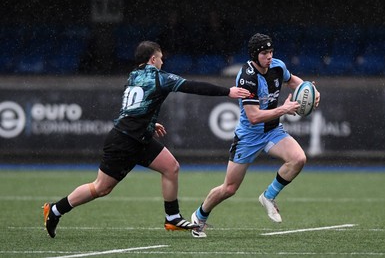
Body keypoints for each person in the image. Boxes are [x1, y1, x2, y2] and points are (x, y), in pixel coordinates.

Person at [43, 40, 250, 238]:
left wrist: (150, 123)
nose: (162, 62)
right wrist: (227, 91)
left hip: (138, 136)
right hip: (124, 141)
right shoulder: (160, 77)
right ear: (152, 59)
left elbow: (134, 106)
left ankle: (172, 217)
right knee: (101, 188)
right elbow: (192, 86)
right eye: (160, 58)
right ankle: (55, 209)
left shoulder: (133, 75)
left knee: (171, 167)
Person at [190, 33, 321, 238]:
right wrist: (284, 109)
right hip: (248, 137)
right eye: (264, 53)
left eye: (270, 52)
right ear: (254, 55)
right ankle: (199, 216)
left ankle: (268, 197)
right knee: (230, 188)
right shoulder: (247, 78)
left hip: (272, 131)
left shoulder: (278, 66)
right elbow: (254, 117)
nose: (269, 56)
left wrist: (311, 91)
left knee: (298, 159)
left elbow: (295, 82)